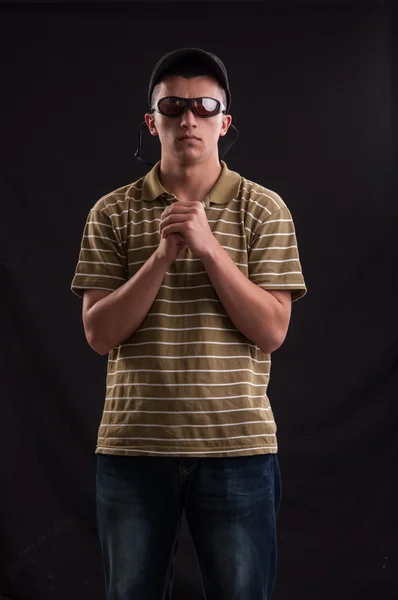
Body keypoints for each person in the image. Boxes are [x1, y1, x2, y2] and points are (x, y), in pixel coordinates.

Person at [71, 47, 306, 600]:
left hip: (238, 448)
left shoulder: (263, 209)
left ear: (224, 122)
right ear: (152, 122)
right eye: (173, 107)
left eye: (204, 106)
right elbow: (99, 334)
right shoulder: (112, 212)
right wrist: (162, 256)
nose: (188, 119)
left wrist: (207, 248)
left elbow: (272, 330)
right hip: (133, 449)